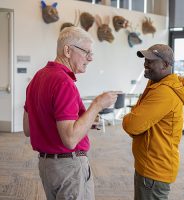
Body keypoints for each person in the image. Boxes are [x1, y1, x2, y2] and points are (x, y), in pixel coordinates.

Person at [23, 26, 118, 200]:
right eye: (86, 52)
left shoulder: (37, 78)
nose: (90, 58)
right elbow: (70, 139)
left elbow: (28, 129)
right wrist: (97, 104)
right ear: (67, 50)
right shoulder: (63, 82)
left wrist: (86, 121)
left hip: (47, 166)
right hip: (68, 167)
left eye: (92, 54)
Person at [122, 44, 184, 200]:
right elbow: (138, 118)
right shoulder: (155, 85)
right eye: (145, 60)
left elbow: (131, 125)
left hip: (154, 170)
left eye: (151, 61)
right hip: (150, 165)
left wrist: (129, 116)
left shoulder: (164, 92)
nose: (145, 64)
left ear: (166, 65)